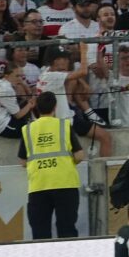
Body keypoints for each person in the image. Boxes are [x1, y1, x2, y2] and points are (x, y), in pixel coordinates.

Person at [18, 92, 86, 240]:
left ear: (36, 107)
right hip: (65, 184)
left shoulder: (28, 129)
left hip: (39, 186)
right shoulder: (64, 125)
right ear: (55, 107)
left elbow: (23, 161)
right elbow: (79, 155)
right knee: (67, 231)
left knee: (40, 234)